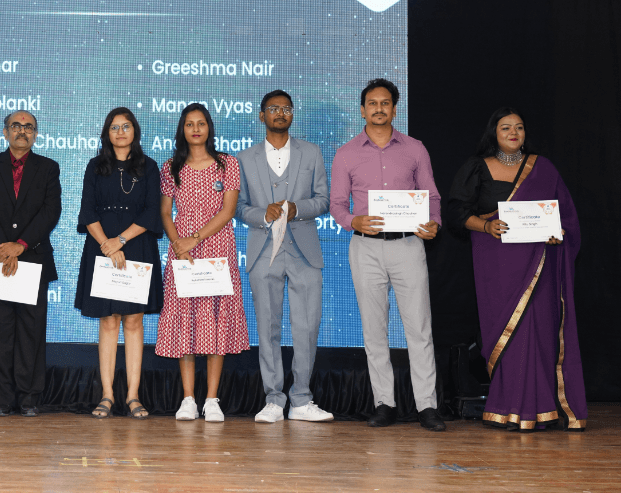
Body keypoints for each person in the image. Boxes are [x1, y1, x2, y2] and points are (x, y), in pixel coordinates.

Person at [446, 108, 586, 431]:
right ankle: (507, 408)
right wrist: (486, 225)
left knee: (540, 332)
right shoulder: (477, 167)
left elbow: (566, 216)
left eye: (519, 127)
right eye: (506, 127)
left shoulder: (543, 168)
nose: (513, 133)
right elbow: (456, 213)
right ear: (493, 133)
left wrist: (558, 233)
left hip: (540, 266)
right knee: (510, 335)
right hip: (497, 265)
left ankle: (542, 410)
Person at [330, 78, 446, 431]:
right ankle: (385, 403)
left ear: (395, 109)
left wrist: (434, 222)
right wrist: (352, 220)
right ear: (362, 110)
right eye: (372, 103)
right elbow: (337, 204)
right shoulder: (346, 153)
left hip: (409, 245)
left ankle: (427, 406)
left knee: (419, 329)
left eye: (385, 103)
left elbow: (432, 196)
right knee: (374, 330)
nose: (378, 108)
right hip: (365, 247)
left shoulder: (415, 149)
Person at [235, 90, 334, 423]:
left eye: (286, 108)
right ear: (261, 115)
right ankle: (274, 400)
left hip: (305, 250)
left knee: (307, 326)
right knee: (268, 327)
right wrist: (262, 214)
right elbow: (238, 207)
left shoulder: (312, 152)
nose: (280, 113)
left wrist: (296, 208)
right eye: (273, 108)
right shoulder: (244, 158)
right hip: (264, 251)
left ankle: (302, 399)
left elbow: (323, 200)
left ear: (293, 114)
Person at [157, 103, 249, 422]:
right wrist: (178, 245)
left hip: (217, 247)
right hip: (182, 251)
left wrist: (194, 239)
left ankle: (211, 399)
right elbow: (165, 213)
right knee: (186, 320)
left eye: (201, 123)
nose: (196, 129)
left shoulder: (227, 164)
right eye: (189, 124)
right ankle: (188, 399)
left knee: (215, 321)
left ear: (209, 127)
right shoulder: (170, 167)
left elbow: (228, 211)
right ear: (182, 130)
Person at [74, 107, 163, 419]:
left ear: (135, 131)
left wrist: (121, 241)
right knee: (109, 321)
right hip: (102, 248)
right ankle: (107, 395)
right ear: (106, 133)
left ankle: (133, 395)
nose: (121, 132)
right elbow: (87, 212)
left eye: (126, 126)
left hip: (137, 246)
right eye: (114, 127)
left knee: (134, 320)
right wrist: (108, 245)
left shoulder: (149, 167)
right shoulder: (95, 166)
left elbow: (152, 211)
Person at [0, 110, 61, 417]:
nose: (22, 131)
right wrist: (2, 246)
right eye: (16, 126)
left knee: (31, 333)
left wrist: (20, 245)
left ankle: (28, 398)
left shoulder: (48, 168)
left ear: (36, 134)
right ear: (5, 131)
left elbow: (50, 211)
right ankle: (2, 398)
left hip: (32, 259)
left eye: (29, 127)